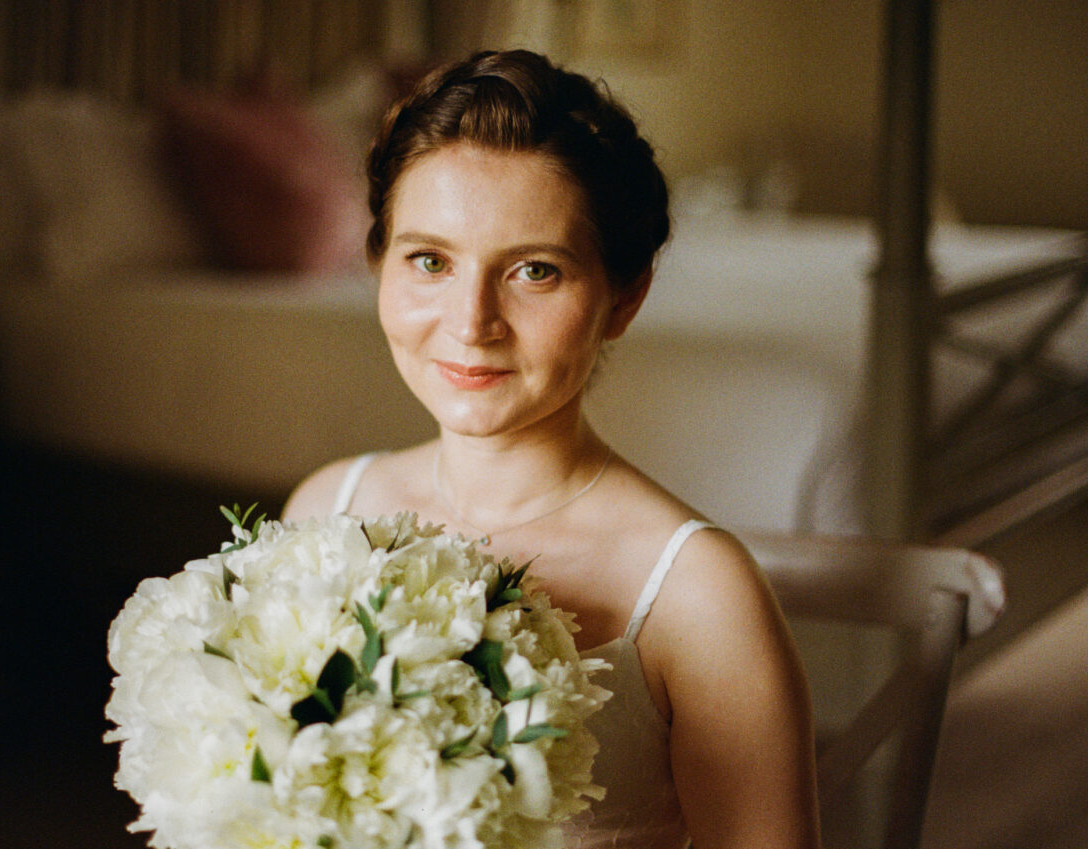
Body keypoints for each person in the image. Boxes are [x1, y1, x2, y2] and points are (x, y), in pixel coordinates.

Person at [283, 49, 820, 849]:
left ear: (622, 297)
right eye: (429, 260)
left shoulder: (697, 597)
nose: (471, 322)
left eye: (534, 271)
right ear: (377, 263)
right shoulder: (326, 508)